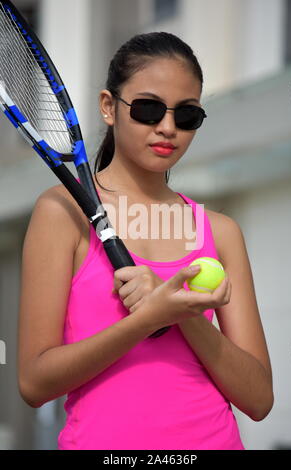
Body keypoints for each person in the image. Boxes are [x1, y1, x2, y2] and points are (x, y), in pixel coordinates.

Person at [18, 32, 274, 450]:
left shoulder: (221, 231)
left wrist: (184, 315)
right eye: (149, 109)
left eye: (187, 115)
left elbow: (259, 398)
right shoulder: (61, 212)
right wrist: (146, 319)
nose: (168, 128)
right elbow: (33, 382)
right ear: (108, 107)